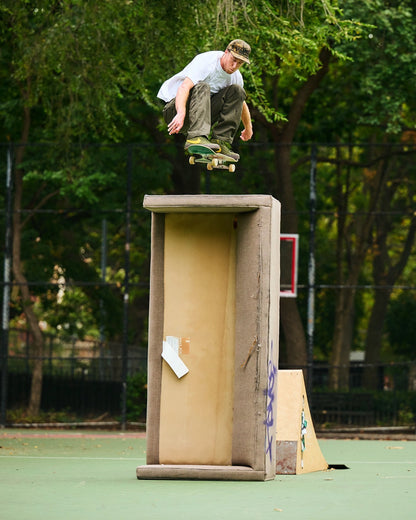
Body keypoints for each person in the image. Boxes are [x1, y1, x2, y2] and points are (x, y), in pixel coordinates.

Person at [157, 39, 253, 161]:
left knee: (238, 91)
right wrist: (180, 113)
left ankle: (220, 143)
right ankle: (196, 138)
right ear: (226, 52)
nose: (235, 66)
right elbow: (184, 87)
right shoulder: (207, 62)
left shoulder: (236, 77)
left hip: (200, 116)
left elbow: (241, 103)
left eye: (239, 63)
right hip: (175, 112)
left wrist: (248, 127)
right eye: (233, 60)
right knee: (203, 86)